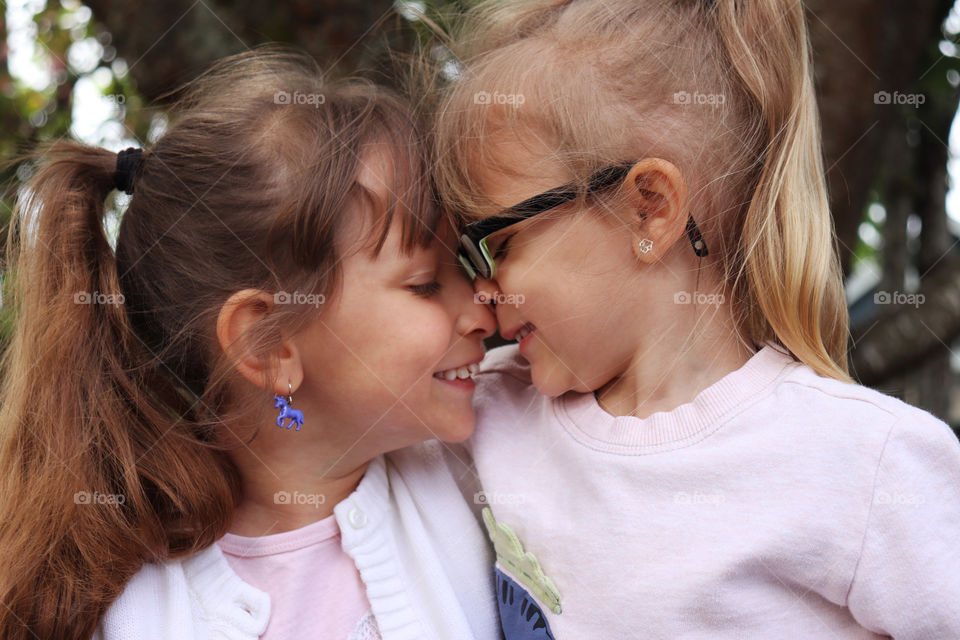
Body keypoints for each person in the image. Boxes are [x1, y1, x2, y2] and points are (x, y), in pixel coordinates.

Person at [431, 1, 960, 637]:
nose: (479, 293)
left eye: (499, 244)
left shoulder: (867, 461)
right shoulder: (483, 413)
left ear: (648, 211)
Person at [0, 49, 500, 640]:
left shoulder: (498, 463)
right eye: (425, 285)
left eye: (466, 263)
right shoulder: (124, 613)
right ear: (267, 344)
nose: (483, 305)